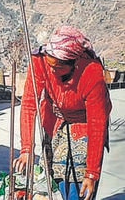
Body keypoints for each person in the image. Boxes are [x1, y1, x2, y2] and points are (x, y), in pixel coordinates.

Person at [13, 26, 112, 200]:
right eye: (50, 65)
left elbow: (97, 123)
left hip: (85, 123)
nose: (52, 71)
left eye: (58, 68)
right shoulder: (40, 60)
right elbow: (29, 103)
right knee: (53, 173)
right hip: (55, 119)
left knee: (79, 180)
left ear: (74, 63)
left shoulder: (91, 72)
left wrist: (91, 174)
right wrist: (27, 148)